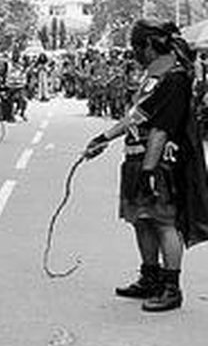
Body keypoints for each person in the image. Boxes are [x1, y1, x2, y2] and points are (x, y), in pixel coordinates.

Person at [83, 20, 208, 312]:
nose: (135, 53)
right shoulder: (153, 76)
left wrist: (149, 171)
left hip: (159, 162)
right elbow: (137, 116)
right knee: (140, 218)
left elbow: (161, 129)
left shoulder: (174, 77)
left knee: (163, 221)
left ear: (150, 46)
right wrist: (103, 138)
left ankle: (171, 287)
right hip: (136, 156)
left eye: (138, 47)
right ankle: (149, 277)